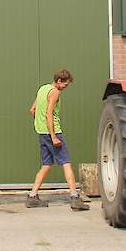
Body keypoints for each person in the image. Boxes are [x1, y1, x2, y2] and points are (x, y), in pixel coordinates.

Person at [26, 68, 89, 211]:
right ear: (59, 81)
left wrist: (40, 125)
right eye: (65, 85)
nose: (65, 88)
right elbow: (49, 114)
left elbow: (32, 110)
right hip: (52, 133)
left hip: (42, 132)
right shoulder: (55, 92)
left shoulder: (42, 89)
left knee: (46, 164)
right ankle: (74, 198)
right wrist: (53, 136)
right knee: (66, 163)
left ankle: (32, 196)